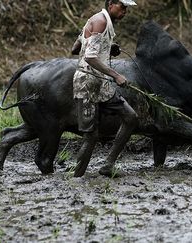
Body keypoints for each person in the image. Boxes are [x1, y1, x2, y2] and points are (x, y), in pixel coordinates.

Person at [71, 0, 138, 178]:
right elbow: (90, 57)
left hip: (101, 85)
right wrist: (116, 75)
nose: (125, 11)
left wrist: (107, 48)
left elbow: (75, 48)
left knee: (130, 117)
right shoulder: (101, 21)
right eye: (122, 7)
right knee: (91, 137)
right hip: (87, 84)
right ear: (111, 4)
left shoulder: (97, 20)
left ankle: (108, 165)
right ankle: (77, 178)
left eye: (127, 9)